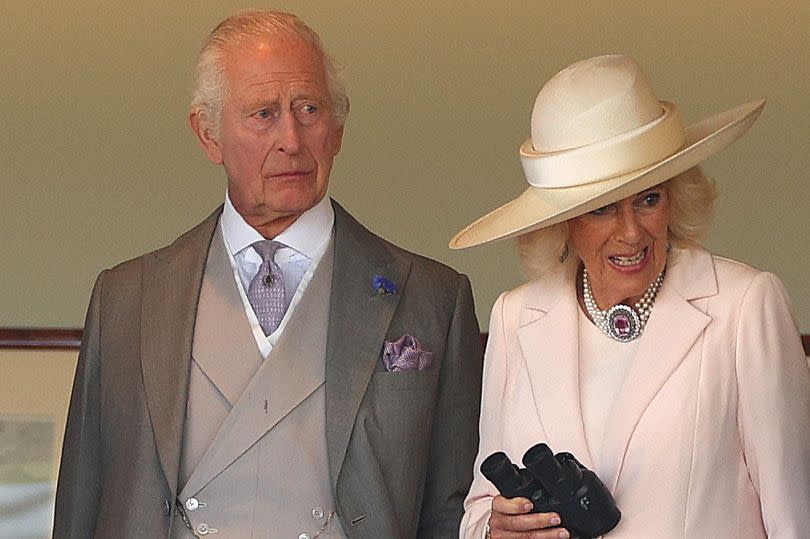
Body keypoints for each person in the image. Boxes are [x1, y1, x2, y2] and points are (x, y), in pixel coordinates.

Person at [54, 9, 483, 539]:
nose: (292, 139)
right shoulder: (126, 299)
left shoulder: (434, 299)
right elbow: (80, 507)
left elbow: (452, 513)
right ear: (207, 134)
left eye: (309, 109)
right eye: (263, 113)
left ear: (338, 129)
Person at [451, 54, 810, 538]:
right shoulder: (515, 317)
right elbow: (480, 509)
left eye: (648, 199)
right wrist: (494, 530)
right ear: (561, 223)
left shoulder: (745, 307)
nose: (630, 233)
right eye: (600, 210)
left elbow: (795, 515)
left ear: (675, 196)